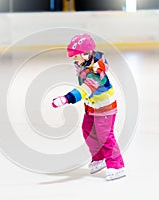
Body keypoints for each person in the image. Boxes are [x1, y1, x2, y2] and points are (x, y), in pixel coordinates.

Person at [52, 33, 125, 181]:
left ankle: (117, 166)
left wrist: (66, 99)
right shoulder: (84, 64)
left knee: (105, 136)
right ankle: (98, 158)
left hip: (104, 107)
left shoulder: (97, 71)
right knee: (87, 130)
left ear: (86, 54)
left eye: (76, 56)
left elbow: (85, 89)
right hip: (91, 107)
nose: (74, 60)